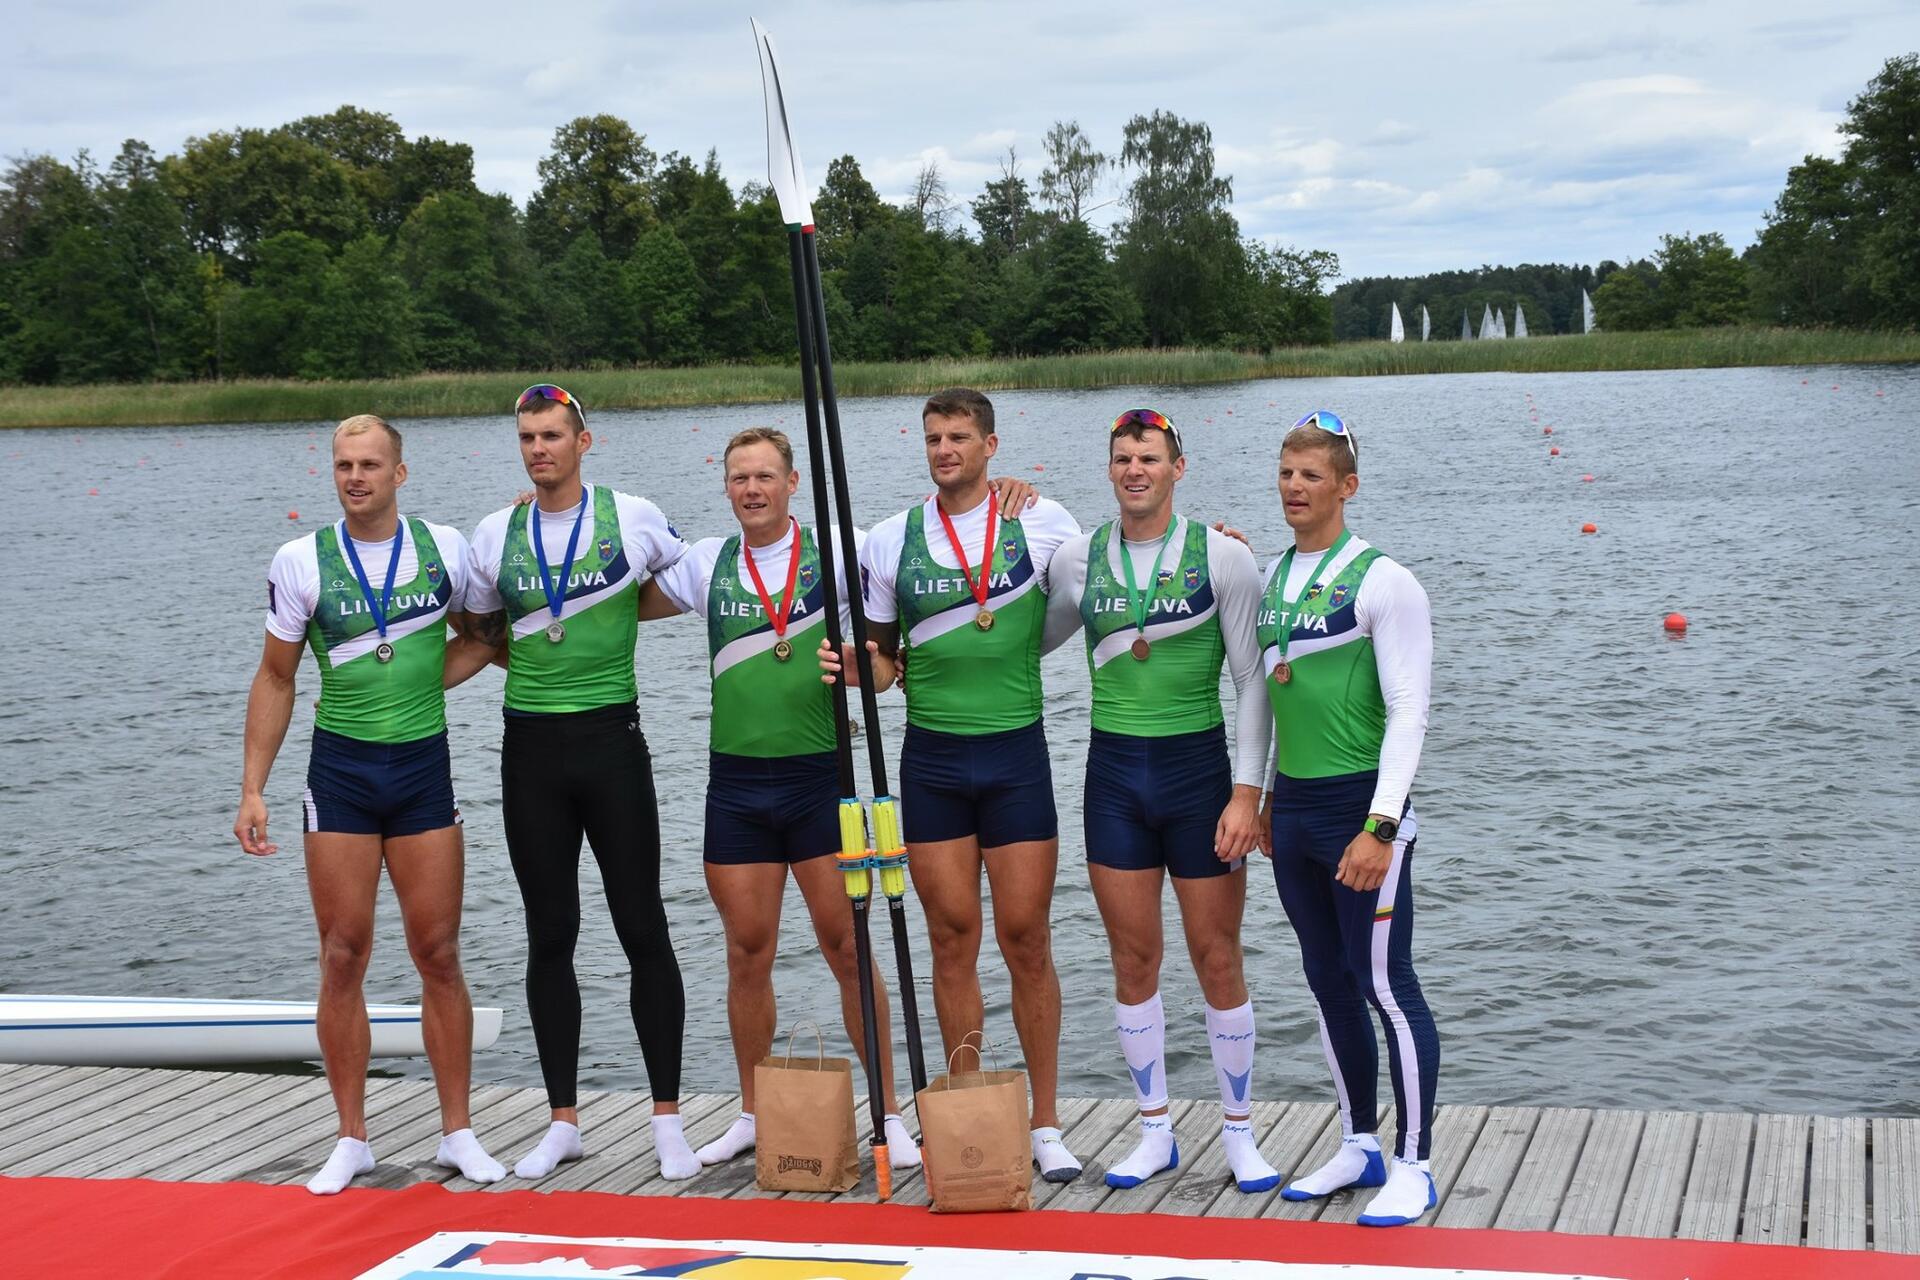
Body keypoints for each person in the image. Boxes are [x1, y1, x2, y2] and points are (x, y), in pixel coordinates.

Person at [235, 413, 505, 1195]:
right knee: (343, 953)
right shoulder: (300, 560)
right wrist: (253, 786)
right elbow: (277, 677)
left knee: (439, 953)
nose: (355, 477)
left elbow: (485, 637)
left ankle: (458, 1132)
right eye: (343, 464)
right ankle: (351, 1138)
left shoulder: (446, 550)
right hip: (342, 775)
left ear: (400, 473)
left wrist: (426, 683)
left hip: (423, 770)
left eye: (370, 464)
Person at [636, 425, 917, 1169]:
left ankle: (889, 1115)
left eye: (765, 476)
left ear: (794, 483)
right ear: (726, 487)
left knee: (847, 948)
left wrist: (868, 669)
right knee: (746, 953)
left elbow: (888, 671)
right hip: (735, 786)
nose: (752, 490)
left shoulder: (840, 550)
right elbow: (614, 605)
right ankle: (754, 1112)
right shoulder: (705, 563)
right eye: (739, 478)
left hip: (819, 782)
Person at [451, 384, 696, 1182]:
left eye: (552, 435)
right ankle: (564, 1120)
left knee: (641, 927)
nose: (538, 449)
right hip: (530, 752)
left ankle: (667, 1119)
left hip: (612, 744)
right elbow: (480, 626)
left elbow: (688, 582)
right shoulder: (497, 531)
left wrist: (619, 611)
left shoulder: (633, 516)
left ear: (584, 441)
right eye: (527, 437)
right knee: (550, 935)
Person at [1040, 407, 1279, 1193]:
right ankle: (1154, 1133)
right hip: (1113, 779)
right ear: (1109, 470)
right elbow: (1022, 634)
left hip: (1199, 778)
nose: (1133, 470)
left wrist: (1249, 794)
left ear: (1180, 466)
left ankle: (1240, 1135)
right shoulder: (1078, 559)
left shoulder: (1225, 558)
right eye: (1121, 459)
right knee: (1133, 957)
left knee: (1217, 956)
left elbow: (1252, 682)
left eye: (1148, 457)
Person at [850, 387, 1085, 1182]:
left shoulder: (1042, 523)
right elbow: (883, 664)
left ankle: (1046, 1122)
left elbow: (1101, 592)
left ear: (990, 444)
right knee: (951, 941)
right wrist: (865, 669)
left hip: (1016, 757)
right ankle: (970, 1111)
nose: (943, 449)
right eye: (932, 438)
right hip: (935, 764)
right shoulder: (890, 540)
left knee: (1027, 939)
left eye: (958, 437)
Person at [1256, 410, 1439, 1227]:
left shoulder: (1384, 580)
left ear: (1346, 486)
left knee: (1385, 986)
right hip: (1292, 809)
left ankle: (1415, 1160)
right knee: (1327, 982)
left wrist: (1381, 826)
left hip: (1360, 809)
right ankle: (1359, 1140)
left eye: (1311, 476)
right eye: (1287, 473)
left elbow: (1409, 713)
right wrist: (1254, 797)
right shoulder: (1272, 578)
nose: (1294, 487)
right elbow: (1262, 693)